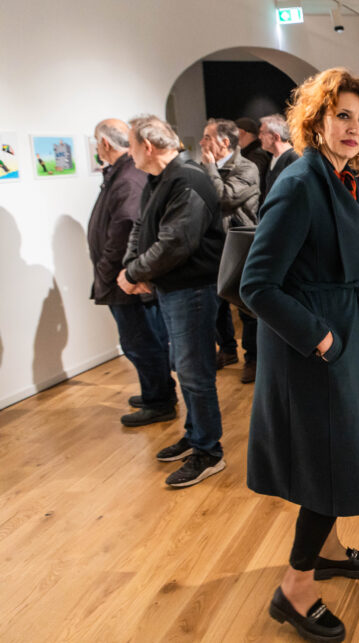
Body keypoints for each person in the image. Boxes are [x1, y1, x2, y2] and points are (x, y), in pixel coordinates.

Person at [240, 67, 359, 643]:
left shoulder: (342, 178)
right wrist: (322, 340)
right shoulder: (300, 181)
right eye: (342, 116)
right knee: (331, 464)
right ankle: (295, 588)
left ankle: (326, 549)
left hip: (340, 337)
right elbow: (257, 285)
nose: (353, 128)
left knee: (338, 459)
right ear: (316, 120)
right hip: (313, 350)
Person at [117, 114, 226, 488]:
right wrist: (132, 268)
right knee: (186, 368)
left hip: (192, 290)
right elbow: (141, 228)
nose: (129, 154)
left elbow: (176, 242)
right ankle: (196, 435)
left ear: (147, 146)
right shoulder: (160, 179)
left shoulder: (188, 179)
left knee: (195, 373)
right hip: (173, 289)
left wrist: (134, 273)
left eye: (132, 146)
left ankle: (208, 451)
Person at [87, 118, 176, 426]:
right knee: (144, 340)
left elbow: (125, 228)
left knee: (140, 343)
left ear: (104, 143)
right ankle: (159, 392)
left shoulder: (126, 178)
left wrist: (108, 270)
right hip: (123, 277)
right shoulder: (121, 174)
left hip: (125, 281)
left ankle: (159, 400)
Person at [200, 118, 260, 383]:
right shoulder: (205, 167)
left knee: (246, 306)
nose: (202, 142)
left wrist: (210, 169)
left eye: (207, 137)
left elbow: (224, 198)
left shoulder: (247, 167)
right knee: (218, 305)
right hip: (211, 245)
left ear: (224, 142)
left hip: (238, 247)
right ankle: (227, 349)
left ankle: (253, 358)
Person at [259, 113, 299, 199]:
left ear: (276, 136)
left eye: (262, 133)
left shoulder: (295, 158)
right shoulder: (274, 157)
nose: (259, 137)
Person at [236, 116, 272, 198]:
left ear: (241, 132)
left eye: (234, 133)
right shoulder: (254, 152)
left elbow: (248, 180)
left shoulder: (257, 154)